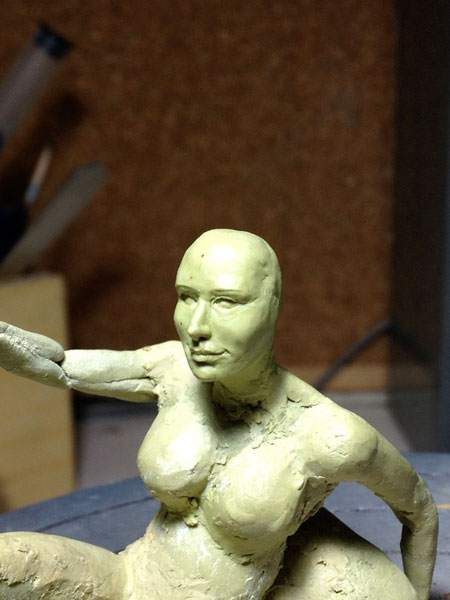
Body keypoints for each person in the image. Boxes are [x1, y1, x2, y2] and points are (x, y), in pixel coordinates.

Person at [0, 229, 438, 600]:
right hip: (128, 578)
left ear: (273, 306)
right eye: (187, 297)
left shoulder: (329, 436)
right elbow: (57, 364)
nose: (196, 327)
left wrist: (416, 594)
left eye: (227, 302)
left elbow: (419, 511)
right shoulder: (172, 368)